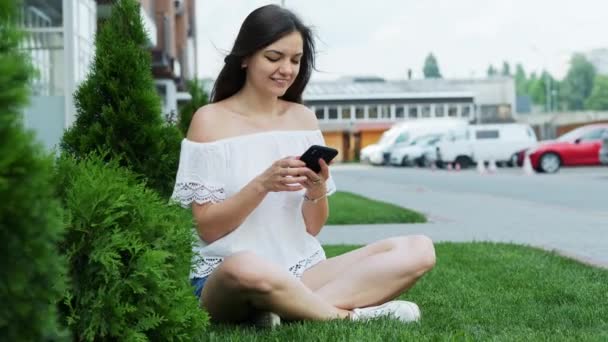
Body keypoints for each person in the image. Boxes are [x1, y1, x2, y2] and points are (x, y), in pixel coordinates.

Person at [170, 4, 435, 327]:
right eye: (274, 57)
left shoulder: (303, 118)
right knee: (247, 267)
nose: (287, 69)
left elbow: (312, 228)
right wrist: (262, 184)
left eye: (295, 60)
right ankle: (348, 317)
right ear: (244, 58)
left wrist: (317, 189)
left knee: (419, 249)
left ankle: (283, 308)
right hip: (228, 274)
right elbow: (208, 229)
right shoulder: (209, 121)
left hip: (300, 270)